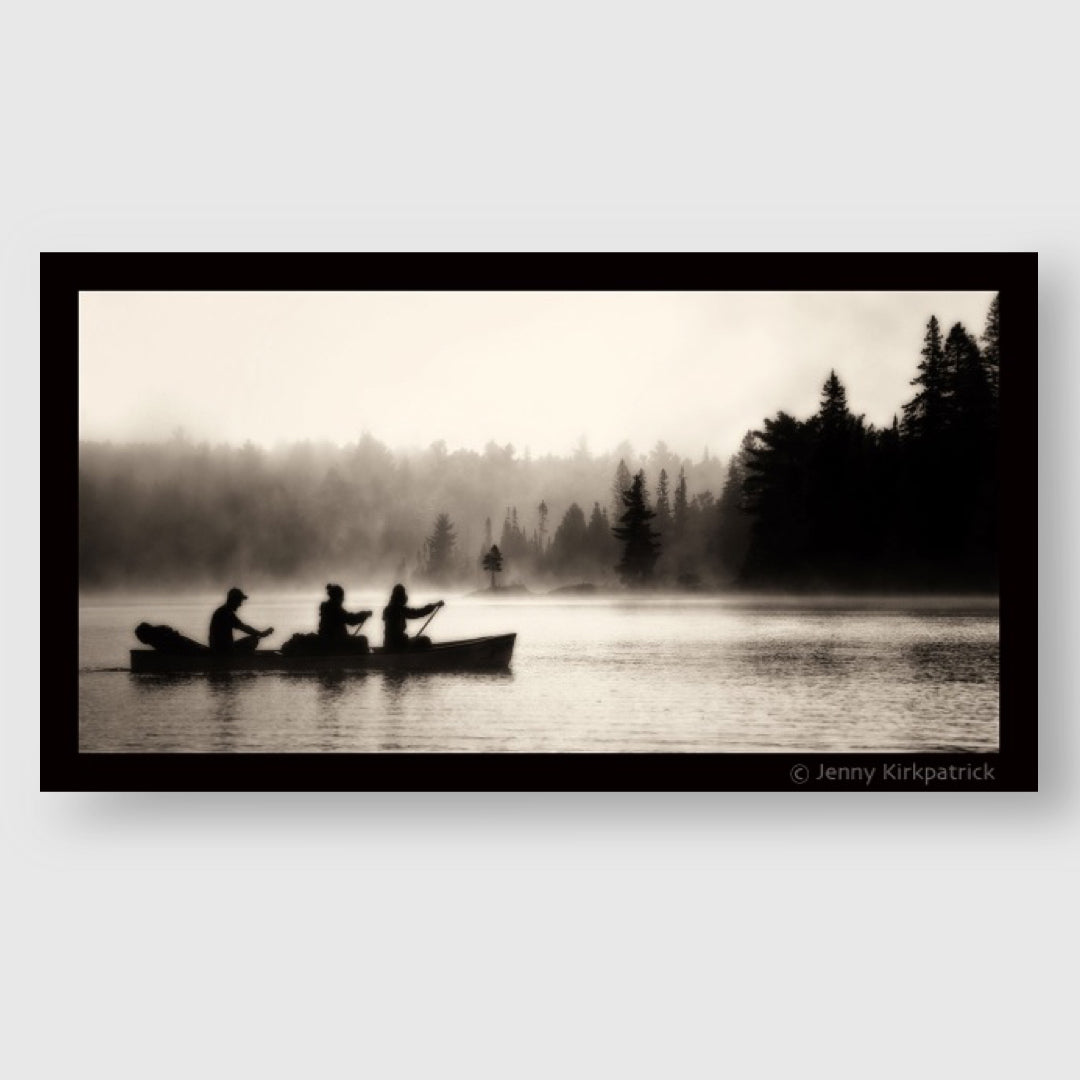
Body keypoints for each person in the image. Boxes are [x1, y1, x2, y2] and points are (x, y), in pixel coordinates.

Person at [208, 587, 274, 654]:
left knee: (254, 639)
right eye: (239, 601)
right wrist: (261, 634)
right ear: (234, 600)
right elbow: (243, 627)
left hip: (219, 648)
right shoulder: (225, 613)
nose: (240, 604)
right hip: (223, 650)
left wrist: (260, 634)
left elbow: (242, 626)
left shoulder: (224, 611)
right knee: (253, 640)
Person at [381, 583, 444, 652]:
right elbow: (417, 613)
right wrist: (435, 605)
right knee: (425, 640)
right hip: (399, 645)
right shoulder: (399, 609)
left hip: (388, 644)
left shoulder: (388, 609)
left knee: (420, 640)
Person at [318, 583, 372, 653]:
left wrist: (363, 615)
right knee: (363, 640)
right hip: (336, 641)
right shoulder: (335, 609)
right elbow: (351, 620)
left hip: (330, 639)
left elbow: (349, 618)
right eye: (342, 597)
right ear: (338, 597)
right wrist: (364, 614)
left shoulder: (328, 608)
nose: (343, 599)